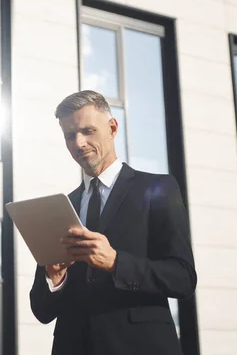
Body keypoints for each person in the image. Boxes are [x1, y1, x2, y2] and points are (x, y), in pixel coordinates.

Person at [29, 90, 197, 355]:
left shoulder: (158, 188)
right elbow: (41, 310)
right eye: (70, 136)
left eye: (87, 131)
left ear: (112, 127)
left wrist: (116, 262)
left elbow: (183, 278)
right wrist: (54, 277)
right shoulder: (62, 208)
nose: (79, 143)